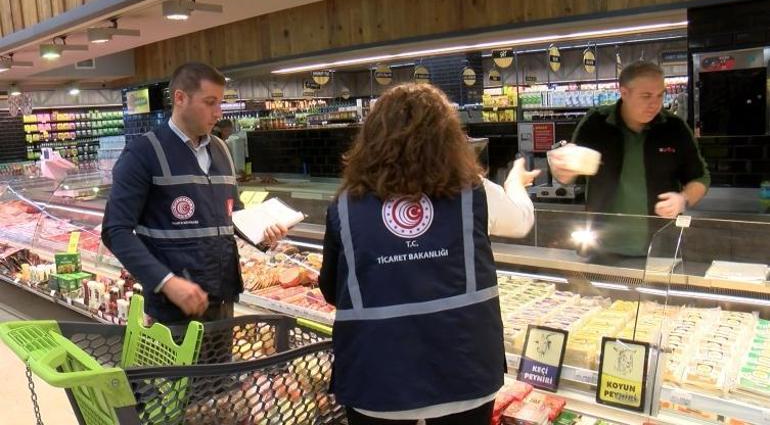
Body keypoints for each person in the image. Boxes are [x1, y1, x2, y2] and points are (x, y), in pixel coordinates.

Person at [318, 83, 539, 425]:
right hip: (465, 372)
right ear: (450, 138)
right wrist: (514, 183)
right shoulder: (475, 192)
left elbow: (333, 291)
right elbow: (522, 221)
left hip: (376, 380)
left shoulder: (345, 205)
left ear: (370, 139)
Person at [102, 62, 287, 324]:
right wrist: (166, 282)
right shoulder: (143, 153)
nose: (218, 113)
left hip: (223, 299)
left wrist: (263, 236)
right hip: (172, 310)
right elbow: (115, 231)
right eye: (210, 103)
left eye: (220, 103)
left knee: (221, 354)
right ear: (180, 98)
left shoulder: (221, 150)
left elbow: (231, 214)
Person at [548, 60, 710, 257]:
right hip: (600, 246)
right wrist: (562, 169)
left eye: (660, 95)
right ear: (624, 93)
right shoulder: (596, 123)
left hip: (660, 247)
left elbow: (700, 177)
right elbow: (570, 175)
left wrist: (683, 199)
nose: (655, 104)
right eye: (646, 96)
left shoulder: (674, 127)